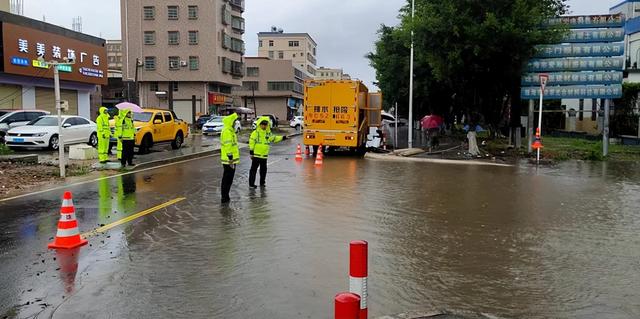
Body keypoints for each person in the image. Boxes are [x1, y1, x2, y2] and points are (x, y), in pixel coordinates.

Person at [248, 116, 287, 188]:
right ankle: (251, 184)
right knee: (253, 170)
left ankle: (262, 183)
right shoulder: (255, 133)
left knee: (263, 171)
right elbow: (251, 142)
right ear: (259, 124)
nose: (264, 126)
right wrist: (251, 152)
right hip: (256, 155)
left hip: (264, 156)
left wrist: (283, 137)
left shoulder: (268, 133)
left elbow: (274, 138)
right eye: (263, 124)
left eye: (265, 124)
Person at [220, 113, 240, 203]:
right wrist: (230, 159)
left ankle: (226, 196)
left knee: (229, 179)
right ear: (231, 122)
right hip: (229, 160)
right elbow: (228, 146)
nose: (236, 123)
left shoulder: (231, 131)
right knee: (227, 179)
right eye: (235, 121)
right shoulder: (227, 131)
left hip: (231, 160)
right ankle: (224, 197)